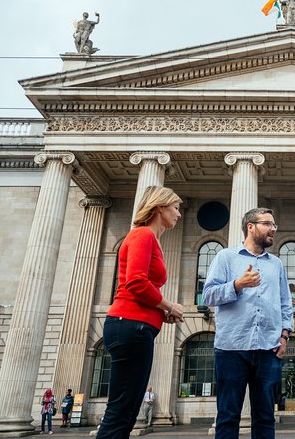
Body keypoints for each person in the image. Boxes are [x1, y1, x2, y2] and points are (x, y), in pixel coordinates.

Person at [96, 186, 185, 439]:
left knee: (127, 408)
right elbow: (135, 282)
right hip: (129, 325)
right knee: (122, 409)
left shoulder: (150, 238)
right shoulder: (142, 235)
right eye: (176, 208)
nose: (179, 214)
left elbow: (141, 286)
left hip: (135, 325)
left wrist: (160, 311)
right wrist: (169, 305)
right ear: (159, 207)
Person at [202, 207, 293, 439]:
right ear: (250, 227)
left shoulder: (277, 264)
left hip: (269, 349)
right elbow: (209, 296)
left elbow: (285, 303)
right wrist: (237, 285)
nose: (273, 229)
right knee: (228, 415)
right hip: (232, 348)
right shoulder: (226, 257)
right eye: (268, 224)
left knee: (265, 418)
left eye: (274, 225)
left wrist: (284, 336)